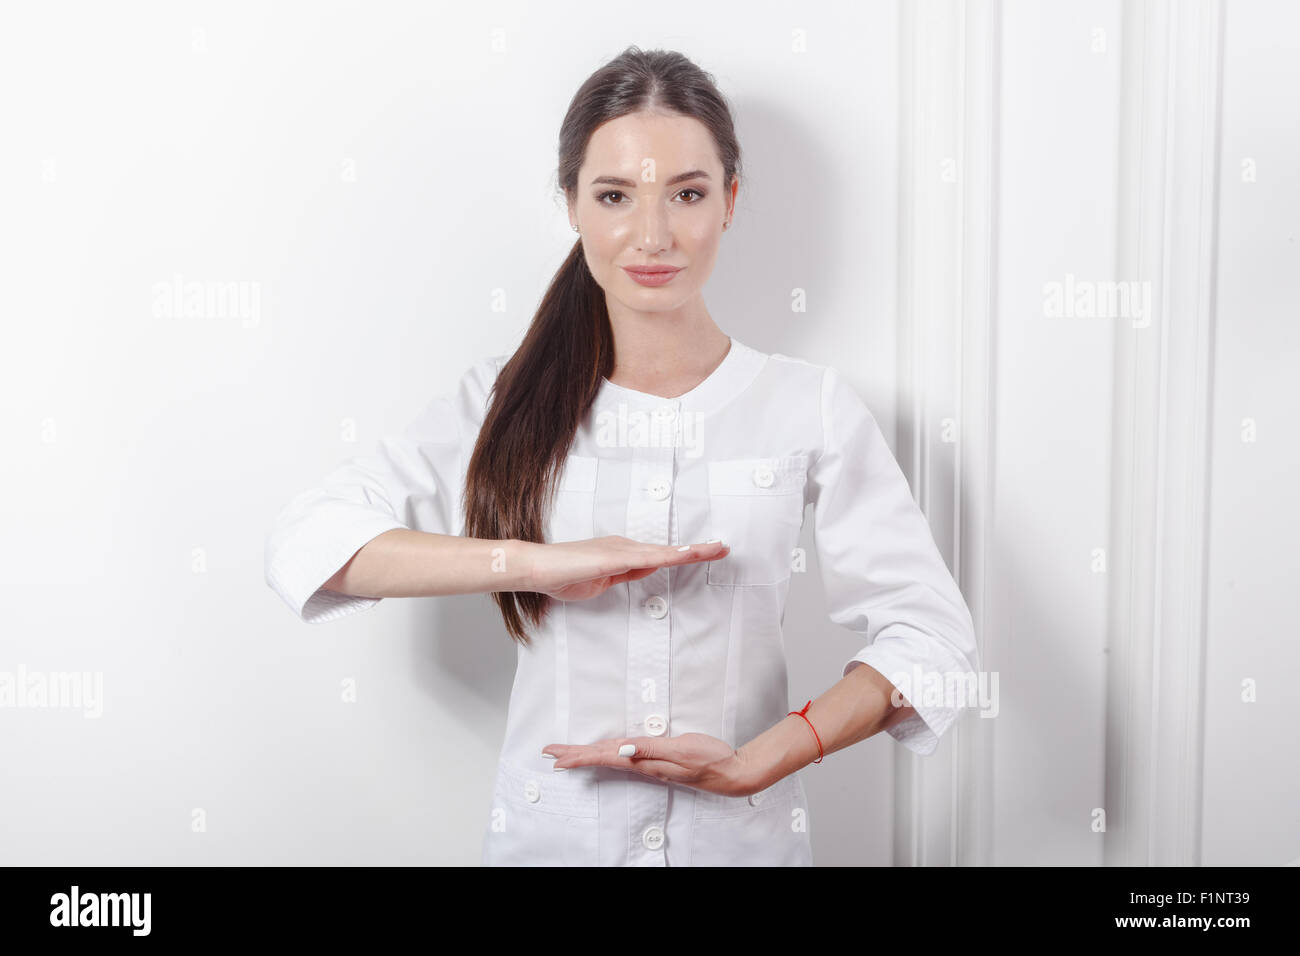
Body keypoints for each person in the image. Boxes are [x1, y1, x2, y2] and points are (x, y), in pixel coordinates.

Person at [264, 46, 980, 866]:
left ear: (730, 202)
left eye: (686, 194)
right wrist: (536, 562)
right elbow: (308, 542)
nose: (652, 236)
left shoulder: (807, 405)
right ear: (571, 204)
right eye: (614, 196)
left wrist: (768, 757)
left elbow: (933, 640)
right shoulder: (498, 401)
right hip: (551, 843)